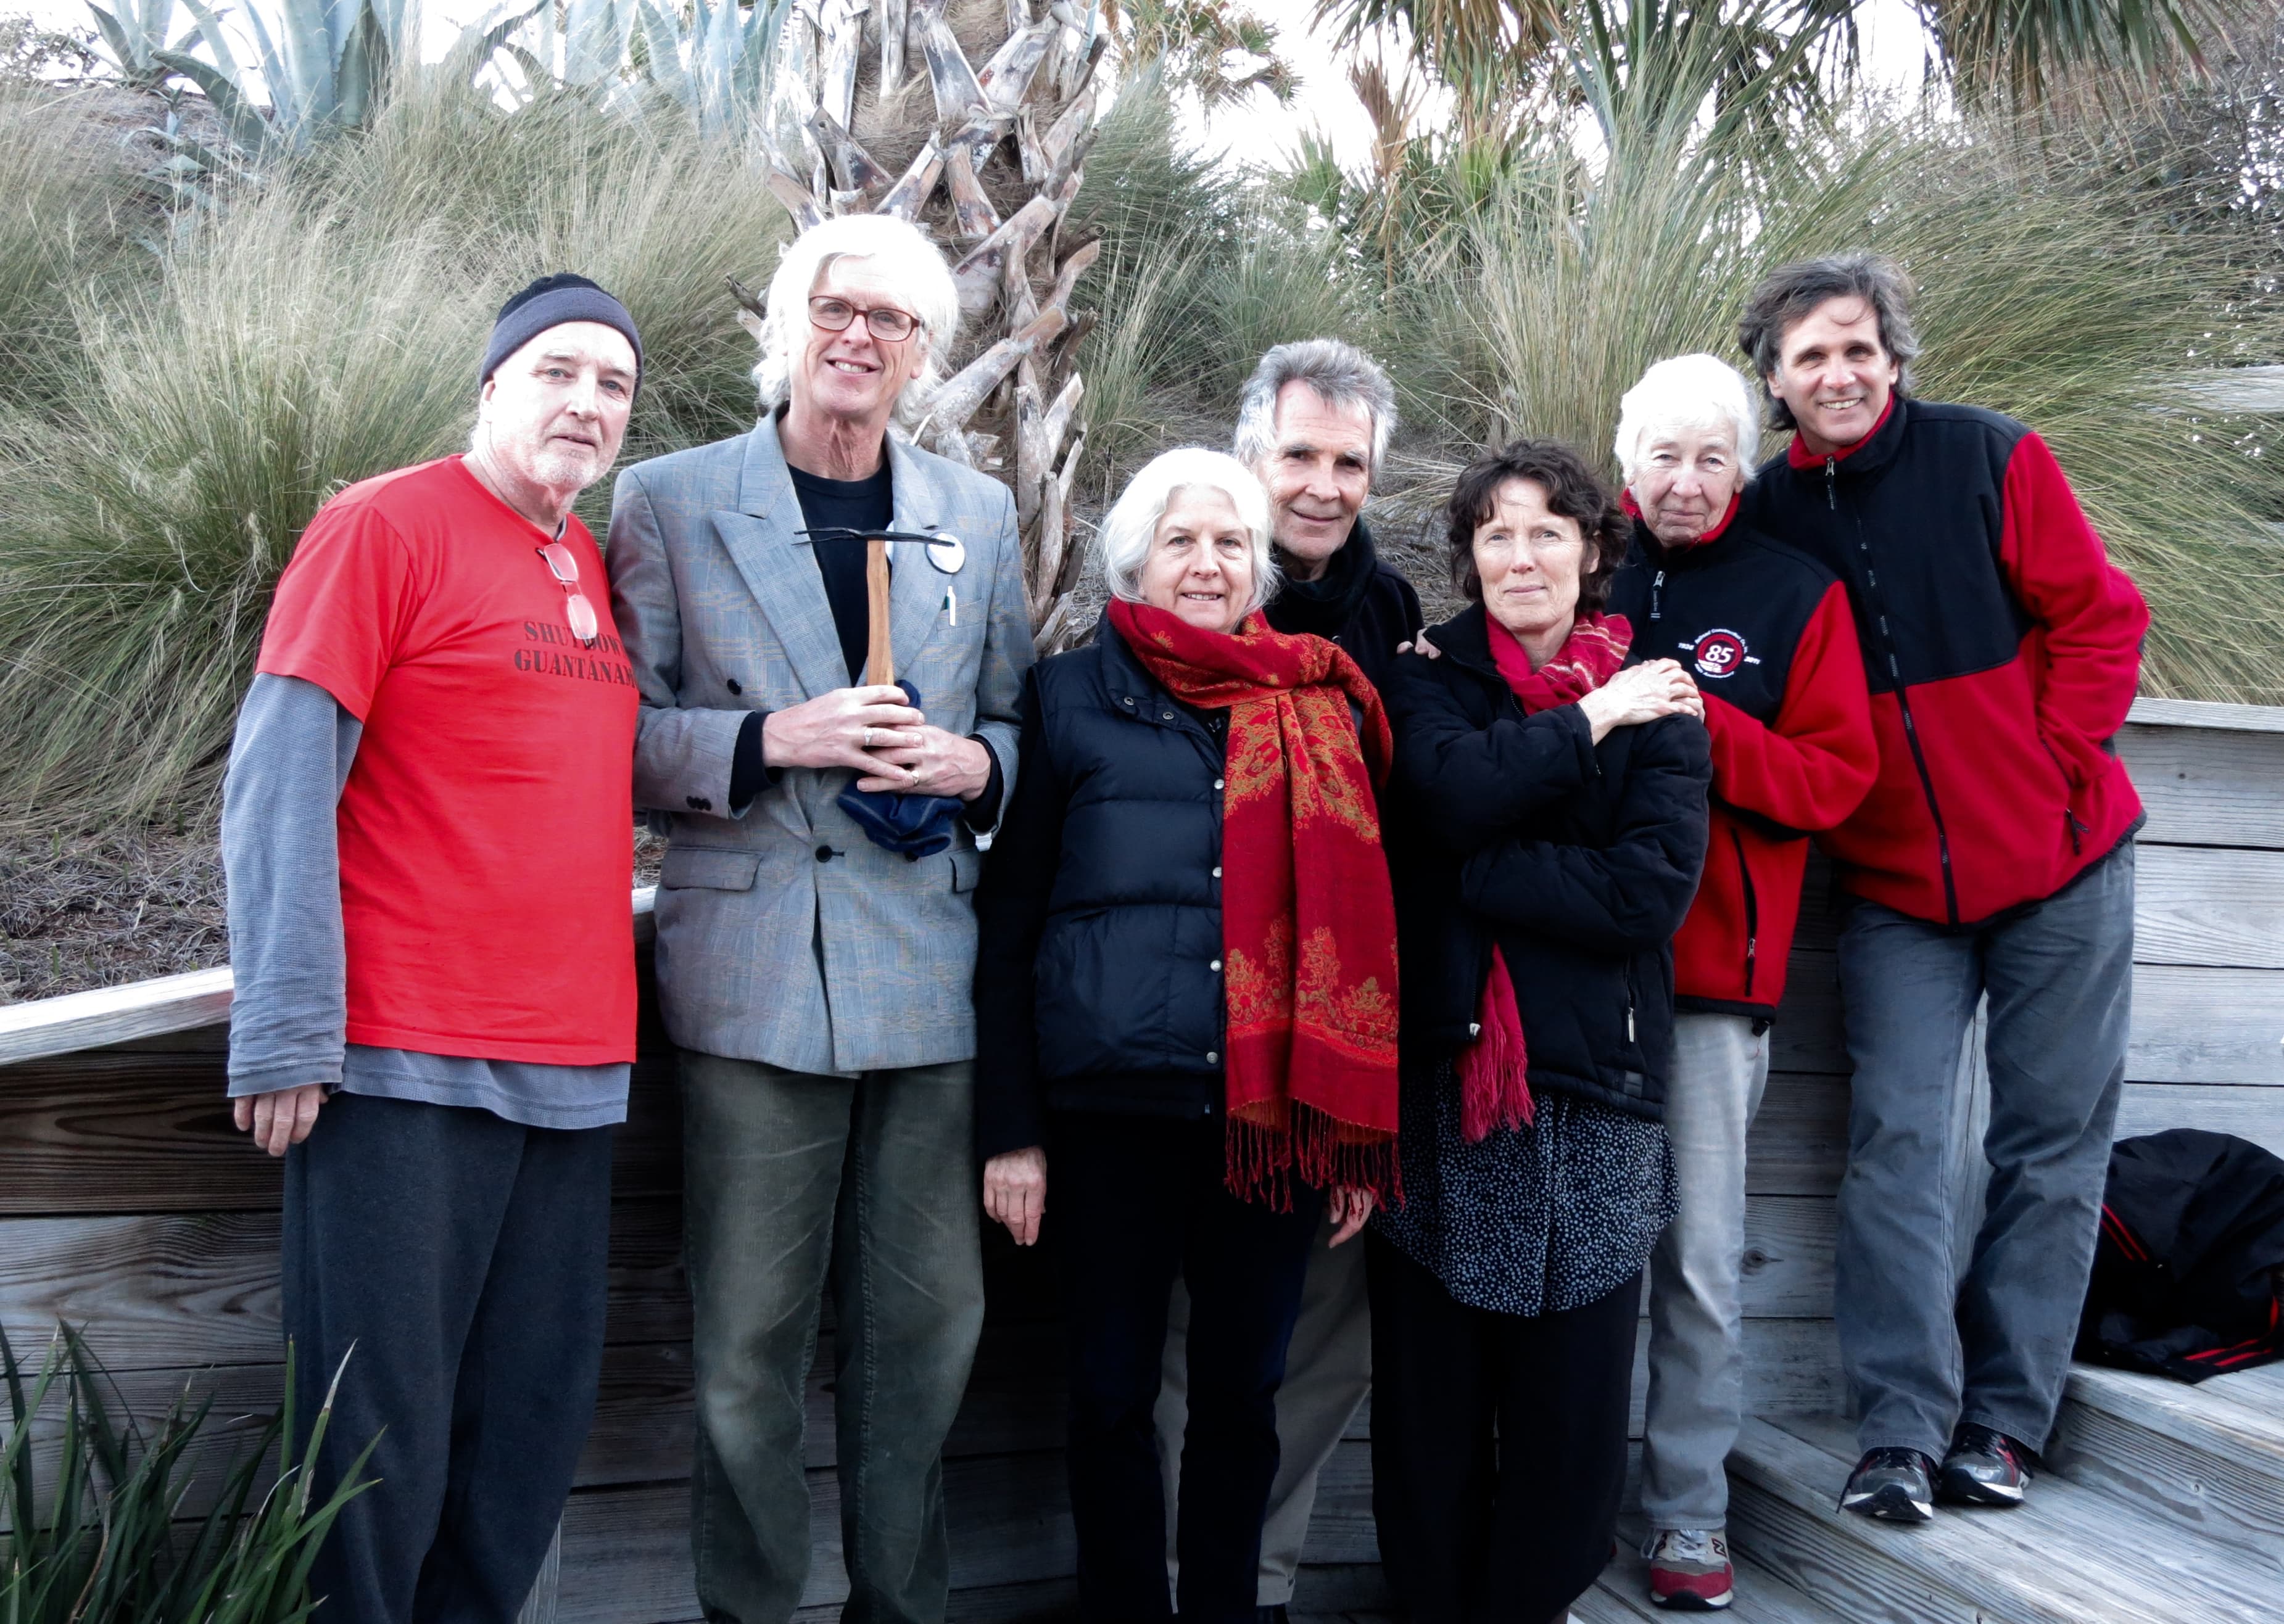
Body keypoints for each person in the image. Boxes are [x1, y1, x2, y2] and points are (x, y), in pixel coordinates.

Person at [605, 213, 1033, 1623]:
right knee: (745, 1350)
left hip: (932, 975)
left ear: (924, 352)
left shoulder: (972, 514)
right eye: (835, 310)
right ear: (788, 324)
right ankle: (751, 1611)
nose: (858, 338)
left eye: (891, 321)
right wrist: (767, 737)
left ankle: (901, 1609)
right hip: (751, 980)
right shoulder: (670, 502)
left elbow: (1021, 722)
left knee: (927, 1338)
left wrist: (977, 766)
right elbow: (613, 737)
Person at [222, 273, 645, 1624]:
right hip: (404, 1066)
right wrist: (285, 1023)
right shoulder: (381, 525)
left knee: (522, 1443)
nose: (586, 402)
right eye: (559, 371)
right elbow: (278, 778)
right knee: (372, 1448)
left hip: (577, 1074)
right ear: (493, 384)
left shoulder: (584, 559)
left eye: (615, 385)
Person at [1735, 253, 2148, 1521]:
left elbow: (2101, 618)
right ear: (1776, 382)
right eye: (1811, 356)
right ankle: (1902, 1433)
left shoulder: (1991, 458)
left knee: (2050, 1144)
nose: (1839, 373)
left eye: (1858, 348)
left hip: (2064, 862)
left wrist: (2051, 759)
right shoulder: (1763, 517)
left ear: (1896, 357)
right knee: (1900, 1145)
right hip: (1896, 889)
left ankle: (2005, 1426)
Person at [972, 447, 1401, 1624]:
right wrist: (1011, 1129)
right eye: (1180, 540)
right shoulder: (1067, 697)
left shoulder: (1313, 698)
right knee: (1107, 1393)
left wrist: (1345, 1129)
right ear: (1136, 561)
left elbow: (1364, 920)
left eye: (1227, 543)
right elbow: (1008, 921)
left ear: (1256, 565)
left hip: (1266, 1116)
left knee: (1240, 1395)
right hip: (1108, 1111)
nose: (1204, 563)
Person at [1372, 439, 1710, 1624]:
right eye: (1497, 532)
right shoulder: (1421, 677)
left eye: (1547, 531)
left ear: (1591, 548)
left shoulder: (1661, 694)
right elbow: (1444, 795)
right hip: (1455, 1082)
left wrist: (1471, 865)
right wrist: (1587, 725)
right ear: (1469, 555)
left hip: (1597, 1088)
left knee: (1570, 1422)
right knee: (1431, 1412)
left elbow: (1644, 897)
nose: (1522, 554)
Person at [1154, 338, 1421, 1622]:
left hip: (1333, 1046)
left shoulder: (1390, 620)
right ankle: (1165, 1579)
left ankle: (1250, 1586)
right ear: (1251, 451)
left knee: (1315, 1341)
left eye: (1347, 463)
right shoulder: (1185, 596)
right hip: (1188, 1031)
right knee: (1171, 1351)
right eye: (1298, 455)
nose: (1321, 486)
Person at [1605, 355, 1877, 1609]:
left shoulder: (1793, 595)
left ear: (1743, 469)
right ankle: (1552, 1508)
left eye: (1713, 456)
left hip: (1716, 985)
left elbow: (1837, 781)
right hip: (1573, 978)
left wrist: (1708, 727)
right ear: (1626, 465)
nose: (1687, 478)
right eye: (1664, 453)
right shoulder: (1577, 568)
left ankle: (1687, 1518)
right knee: (1573, 1252)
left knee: (1702, 1264)